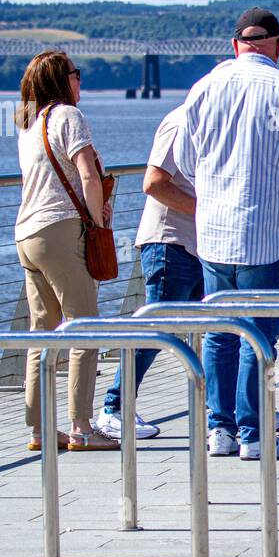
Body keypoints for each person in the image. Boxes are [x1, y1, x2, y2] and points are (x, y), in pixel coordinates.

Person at [173, 7, 279, 461]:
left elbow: (184, 160)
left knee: (220, 331)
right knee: (259, 333)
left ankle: (218, 431)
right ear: (278, 45)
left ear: (234, 45)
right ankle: (254, 432)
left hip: (214, 231)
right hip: (267, 229)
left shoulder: (202, 88)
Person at [13, 50, 117, 452]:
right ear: (62, 80)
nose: (81, 81)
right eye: (77, 74)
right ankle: (81, 427)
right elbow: (89, 176)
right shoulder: (69, 117)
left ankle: (40, 429)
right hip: (60, 231)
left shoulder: (29, 124)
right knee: (84, 328)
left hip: (27, 232)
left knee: (43, 334)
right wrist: (98, 221)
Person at [94, 107, 201, 440]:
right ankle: (113, 408)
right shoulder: (181, 122)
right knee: (157, 329)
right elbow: (153, 183)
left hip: (201, 244)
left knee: (214, 329)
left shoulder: (213, 119)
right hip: (170, 241)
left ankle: (232, 409)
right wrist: (210, 209)